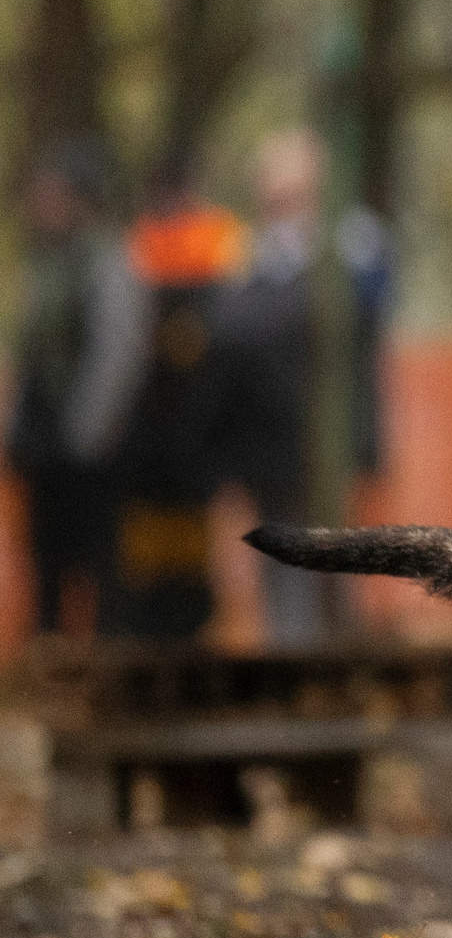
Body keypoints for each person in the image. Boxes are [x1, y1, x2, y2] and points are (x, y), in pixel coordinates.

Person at [215, 128, 394, 644]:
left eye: (292, 198)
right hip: (274, 454)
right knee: (291, 575)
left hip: (323, 451)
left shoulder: (349, 259)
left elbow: (362, 352)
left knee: (332, 569)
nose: (281, 212)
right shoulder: (249, 266)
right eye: (274, 199)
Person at [6, 139, 150, 638]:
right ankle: (51, 664)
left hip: (89, 447)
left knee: (99, 564)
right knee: (46, 562)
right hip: (46, 442)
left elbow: (117, 354)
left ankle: (103, 670)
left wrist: (85, 433)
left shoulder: (107, 260)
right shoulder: (47, 263)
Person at [107, 163, 250, 640]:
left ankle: (188, 615)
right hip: (150, 428)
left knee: (191, 535)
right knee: (148, 536)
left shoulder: (218, 243)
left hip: (196, 422)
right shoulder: (138, 247)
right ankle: (152, 616)